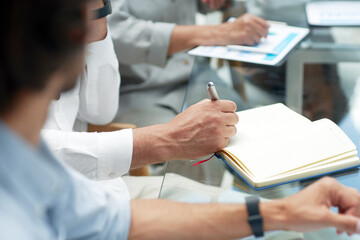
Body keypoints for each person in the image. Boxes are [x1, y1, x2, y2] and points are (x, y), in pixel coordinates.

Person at [3, 0, 360, 238]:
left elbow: (108, 216)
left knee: (284, 227)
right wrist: (166, 140)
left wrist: (280, 213)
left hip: (110, 192)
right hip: (130, 145)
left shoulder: (36, 171)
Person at [41, 0, 238, 182]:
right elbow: (32, 150)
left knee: (242, 133)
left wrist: (97, 15)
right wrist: (168, 139)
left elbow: (99, 113)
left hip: (192, 73)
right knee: (207, 163)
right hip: (141, 91)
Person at [107, 0, 270, 128]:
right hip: (140, 92)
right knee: (196, 152)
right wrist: (217, 32)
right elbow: (114, 34)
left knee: (256, 128)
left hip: (196, 76)